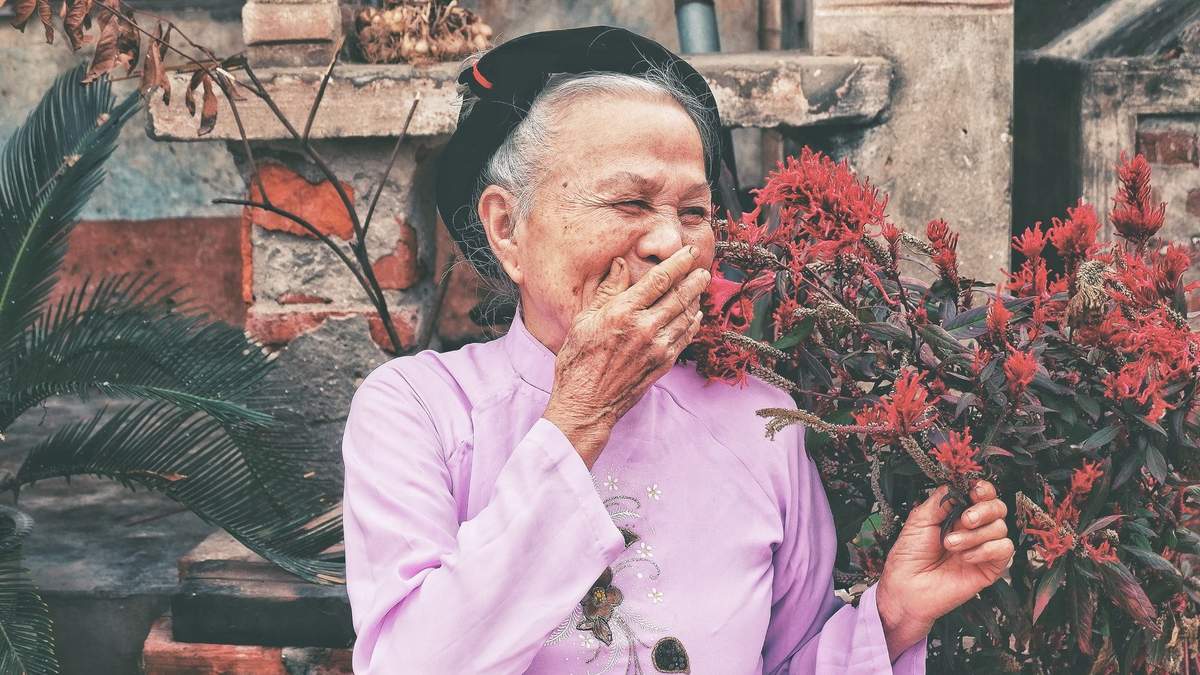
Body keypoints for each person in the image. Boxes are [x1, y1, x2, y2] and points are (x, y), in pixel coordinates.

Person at [341, 26, 1014, 674]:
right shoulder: (421, 411)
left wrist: (894, 617)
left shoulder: (761, 425)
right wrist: (580, 417)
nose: (671, 243)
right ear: (507, 227)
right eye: (630, 202)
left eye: (694, 213)